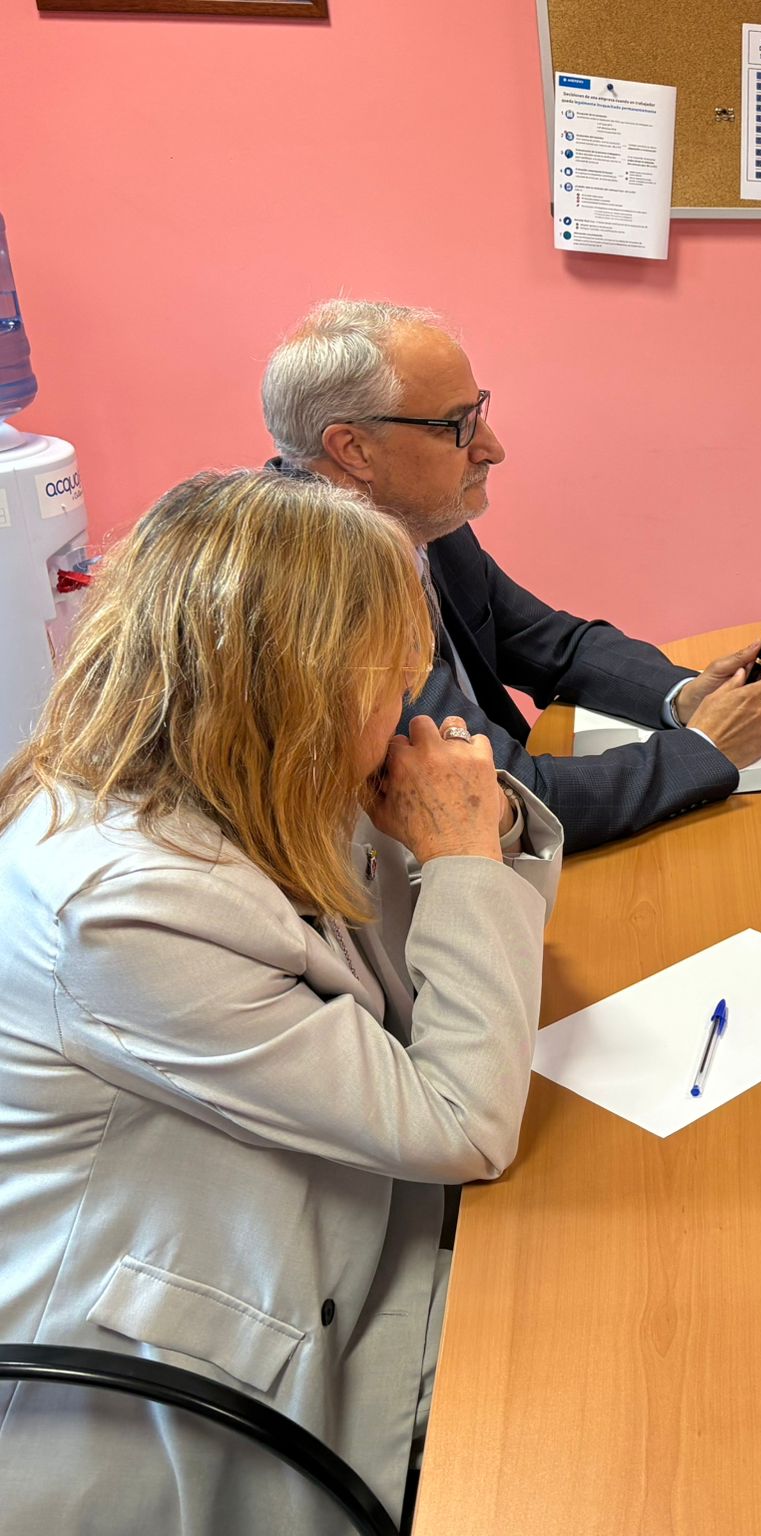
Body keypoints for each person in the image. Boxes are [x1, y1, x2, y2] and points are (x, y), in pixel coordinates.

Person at [0, 470, 563, 1533]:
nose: (412, 705)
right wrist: (462, 857)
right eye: (392, 680)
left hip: (327, 1220)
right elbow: (457, 1120)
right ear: (295, 691)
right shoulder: (128, 905)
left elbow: (412, 988)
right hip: (173, 1364)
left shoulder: (244, 783)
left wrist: (462, 842)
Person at [262, 298, 761, 854]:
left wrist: (682, 696)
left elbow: (551, 643)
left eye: (480, 412)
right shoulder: (317, 598)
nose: (493, 448)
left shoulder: (417, 519)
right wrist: (708, 747)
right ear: (353, 449)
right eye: (459, 426)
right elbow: (506, 796)